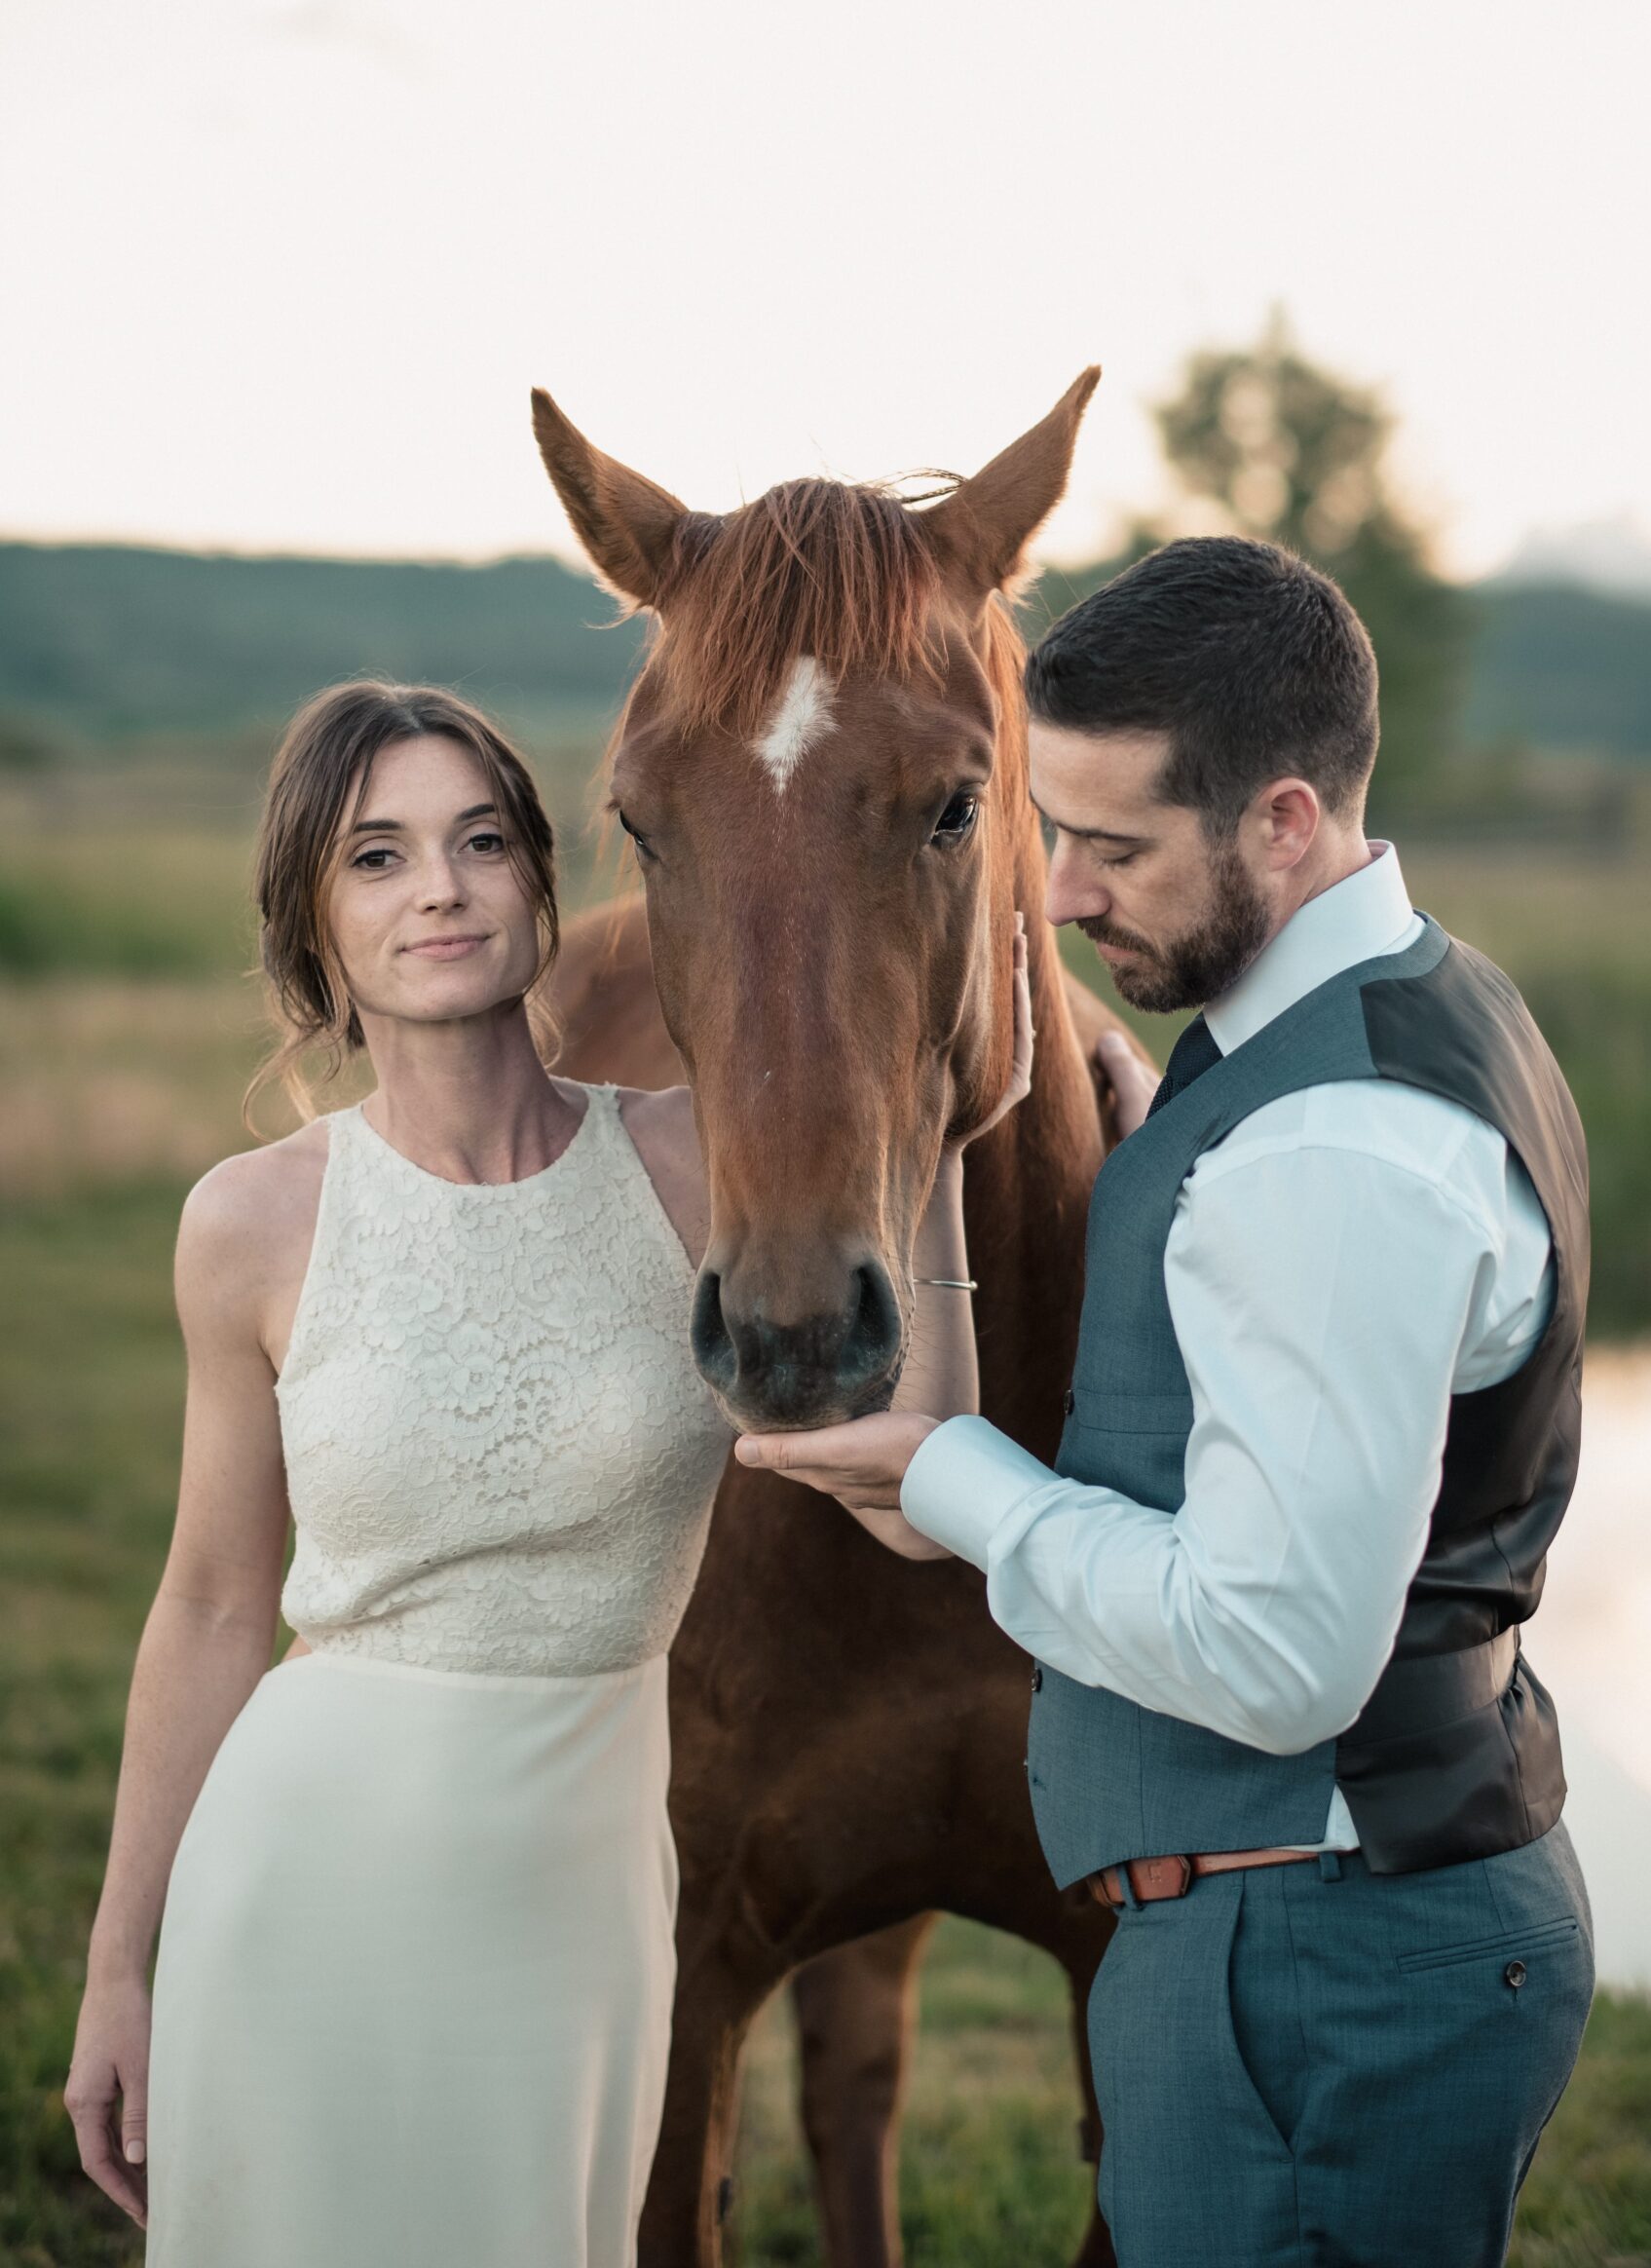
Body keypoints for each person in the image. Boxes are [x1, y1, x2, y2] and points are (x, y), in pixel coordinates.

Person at [63, 674, 1032, 2266]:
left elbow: (918, 1490)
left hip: (578, 1909)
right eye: (376, 856)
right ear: (312, 921)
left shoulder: (686, 1167)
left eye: (481, 839)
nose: (438, 886)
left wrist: (928, 1103)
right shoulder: (247, 1223)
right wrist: (119, 1965)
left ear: (545, 882)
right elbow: (214, 1604)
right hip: (299, 1879)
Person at [735, 535, 1595, 2268]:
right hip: (1328, 1932)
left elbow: (1279, 1658)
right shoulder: (1398, 1005)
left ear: (1284, 821)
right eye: (1050, 829)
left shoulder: (1329, 1154)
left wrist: (964, 1488)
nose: (1056, 894)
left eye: (1116, 846)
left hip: (1313, 1980)